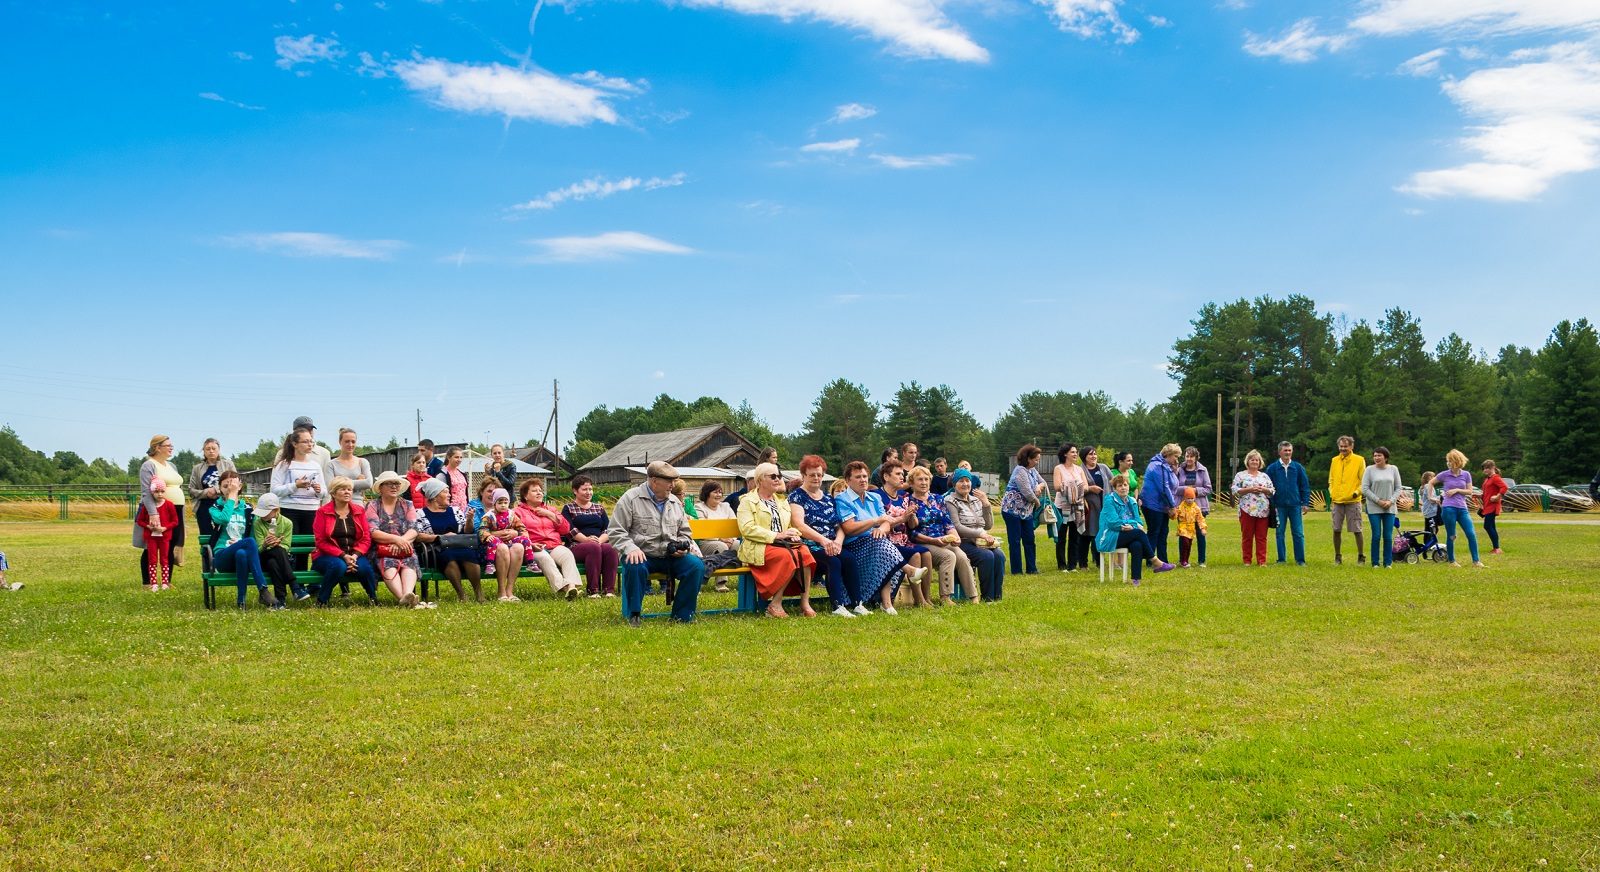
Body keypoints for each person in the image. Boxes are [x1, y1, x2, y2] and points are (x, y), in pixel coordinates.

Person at [608, 461, 706, 626]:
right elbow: (615, 531)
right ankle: (634, 614)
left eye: (674, 481)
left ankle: (682, 615)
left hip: (670, 555)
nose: (672, 485)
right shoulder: (630, 499)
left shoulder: (675, 502)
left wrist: (682, 546)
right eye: (669, 481)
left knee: (696, 566)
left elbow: (685, 532)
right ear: (654, 481)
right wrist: (630, 548)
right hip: (643, 554)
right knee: (634, 564)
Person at [836, 460, 925, 615]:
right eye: (858, 477)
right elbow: (849, 528)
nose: (863, 480)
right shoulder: (842, 499)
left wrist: (881, 529)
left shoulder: (873, 498)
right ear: (848, 480)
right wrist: (874, 522)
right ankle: (907, 572)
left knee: (881, 544)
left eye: (865, 476)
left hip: (875, 542)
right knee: (882, 546)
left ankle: (887, 603)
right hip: (854, 545)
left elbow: (886, 522)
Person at [737, 462, 817, 618]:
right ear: (760, 480)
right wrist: (776, 535)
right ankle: (775, 604)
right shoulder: (747, 501)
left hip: (782, 544)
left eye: (779, 476)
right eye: (773, 476)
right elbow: (747, 529)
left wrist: (793, 533)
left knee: (805, 553)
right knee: (787, 556)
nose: (777, 479)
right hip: (758, 545)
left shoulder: (781, 501)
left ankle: (805, 602)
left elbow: (790, 525)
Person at [789, 455, 861, 617]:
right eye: (812, 474)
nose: (816, 478)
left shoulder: (828, 499)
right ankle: (837, 606)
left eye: (819, 475)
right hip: (809, 546)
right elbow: (799, 525)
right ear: (803, 476)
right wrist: (823, 540)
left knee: (849, 558)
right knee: (833, 562)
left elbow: (839, 526)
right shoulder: (797, 497)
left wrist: (838, 542)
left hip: (831, 543)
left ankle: (858, 604)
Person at [207, 470, 283, 609]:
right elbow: (223, 519)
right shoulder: (215, 507)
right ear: (220, 488)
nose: (229, 489)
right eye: (225, 486)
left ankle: (241, 601)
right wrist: (232, 495)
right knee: (248, 542)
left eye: (233, 486)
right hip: (222, 556)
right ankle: (263, 590)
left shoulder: (247, 508)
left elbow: (253, 534)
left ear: (240, 486)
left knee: (242, 553)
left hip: (241, 554)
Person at [905, 465, 976, 605]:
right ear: (912, 483)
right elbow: (912, 533)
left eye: (926, 479)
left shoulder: (937, 499)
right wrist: (934, 540)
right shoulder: (908, 501)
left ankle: (973, 596)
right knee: (948, 556)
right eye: (920, 479)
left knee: (961, 555)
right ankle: (945, 597)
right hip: (923, 542)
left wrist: (954, 537)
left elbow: (947, 522)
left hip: (943, 540)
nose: (924, 482)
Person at [311, 476, 379, 604]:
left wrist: (354, 555)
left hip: (355, 554)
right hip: (326, 556)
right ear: (333, 493)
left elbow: (366, 538)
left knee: (364, 568)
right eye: (342, 489)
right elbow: (321, 541)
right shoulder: (322, 512)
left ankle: (373, 598)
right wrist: (343, 556)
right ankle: (322, 600)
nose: (347, 492)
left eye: (349, 489)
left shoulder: (359, 511)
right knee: (338, 566)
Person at [367, 471, 430, 608]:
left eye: (396, 483)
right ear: (380, 488)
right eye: (390, 484)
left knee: (410, 560)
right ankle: (404, 598)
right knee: (388, 561)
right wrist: (396, 540)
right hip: (381, 549)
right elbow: (373, 531)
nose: (394, 486)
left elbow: (414, 529)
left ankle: (407, 595)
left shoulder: (407, 504)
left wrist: (401, 541)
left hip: (405, 546)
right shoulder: (373, 505)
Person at [514, 479, 584, 600]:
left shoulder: (551, 509)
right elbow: (517, 533)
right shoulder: (517, 512)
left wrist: (549, 515)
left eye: (540, 490)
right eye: (534, 491)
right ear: (525, 496)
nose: (539, 493)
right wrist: (530, 544)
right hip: (534, 547)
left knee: (567, 554)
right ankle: (566, 589)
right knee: (545, 558)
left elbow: (565, 530)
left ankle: (571, 586)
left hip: (554, 545)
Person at [415, 478, 484, 603]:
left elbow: (467, 532)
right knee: (448, 556)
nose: (450, 494)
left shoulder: (455, 510)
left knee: (469, 554)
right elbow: (418, 536)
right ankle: (462, 595)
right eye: (445, 492)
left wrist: (469, 520)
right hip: (435, 549)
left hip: (459, 544)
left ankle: (479, 593)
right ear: (435, 496)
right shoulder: (420, 513)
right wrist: (441, 537)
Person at [875, 462, 933, 608]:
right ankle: (919, 600)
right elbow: (880, 525)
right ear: (886, 476)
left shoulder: (904, 497)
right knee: (915, 555)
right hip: (887, 543)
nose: (902, 477)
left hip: (904, 540)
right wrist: (902, 518)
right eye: (898, 474)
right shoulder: (878, 496)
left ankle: (927, 597)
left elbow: (912, 525)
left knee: (926, 553)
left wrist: (911, 515)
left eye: (902, 474)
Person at [1095, 475, 1172, 584]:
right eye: (1119, 486)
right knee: (1138, 533)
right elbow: (1113, 523)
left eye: (1125, 485)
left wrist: (1131, 525)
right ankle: (1155, 560)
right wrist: (1131, 525)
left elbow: (1139, 522)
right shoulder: (1109, 500)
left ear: (1128, 487)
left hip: (1127, 534)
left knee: (1137, 544)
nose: (1123, 488)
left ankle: (1136, 579)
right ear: (1115, 488)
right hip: (1109, 537)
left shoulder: (1132, 501)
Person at [270, 427, 326, 571]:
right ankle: (294, 581)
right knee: (292, 547)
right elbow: (274, 490)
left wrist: (319, 491)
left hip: (312, 510)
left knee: (307, 548)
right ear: (295, 444)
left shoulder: (315, 466)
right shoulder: (284, 465)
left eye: (311, 441)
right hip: (290, 510)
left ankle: (302, 582)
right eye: (305, 442)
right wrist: (295, 485)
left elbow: (324, 491)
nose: (310, 445)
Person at [944, 468, 1003, 602]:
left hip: (980, 540)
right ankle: (988, 598)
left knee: (999, 556)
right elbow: (957, 526)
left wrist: (986, 504)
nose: (965, 484)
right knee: (987, 557)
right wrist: (980, 533)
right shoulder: (950, 501)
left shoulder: (976, 500)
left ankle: (996, 596)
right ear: (954, 484)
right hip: (962, 542)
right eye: (961, 481)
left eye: (968, 480)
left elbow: (988, 525)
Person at [135, 434, 188, 580]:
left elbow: (178, 489)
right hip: (158, 510)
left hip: (174, 510)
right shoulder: (149, 465)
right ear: (157, 448)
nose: (171, 448)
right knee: (151, 545)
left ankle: (167, 580)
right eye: (168, 445)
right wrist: (153, 513)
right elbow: (146, 491)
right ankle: (147, 581)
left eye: (172, 445)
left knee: (170, 545)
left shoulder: (172, 466)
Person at [562, 475, 620, 598]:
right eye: (584, 489)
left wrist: (599, 540)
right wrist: (586, 540)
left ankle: (609, 590)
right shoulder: (568, 508)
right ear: (575, 491)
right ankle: (593, 590)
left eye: (590, 489)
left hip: (599, 542)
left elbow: (608, 529)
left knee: (610, 548)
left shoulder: (599, 508)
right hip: (577, 545)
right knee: (593, 548)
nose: (588, 492)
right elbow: (569, 529)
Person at [478, 488, 532, 603]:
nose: (503, 505)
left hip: (510, 543)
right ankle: (501, 592)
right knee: (502, 548)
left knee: (519, 547)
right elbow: (482, 530)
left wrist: (516, 533)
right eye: (500, 502)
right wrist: (489, 535)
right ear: (494, 503)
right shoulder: (488, 516)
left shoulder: (512, 515)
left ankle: (510, 591)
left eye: (505, 502)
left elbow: (522, 529)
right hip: (492, 549)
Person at [251, 493, 308, 603]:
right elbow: (258, 550)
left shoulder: (287, 523)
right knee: (277, 552)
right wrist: (265, 544)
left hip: (280, 560)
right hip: (263, 558)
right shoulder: (258, 523)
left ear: (276, 510)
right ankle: (295, 587)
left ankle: (280, 600)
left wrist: (278, 544)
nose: (262, 516)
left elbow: (286, 546)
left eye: (266, 513)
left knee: (274, 561)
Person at [1001, 444, 1046, 575]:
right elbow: (1027, 492)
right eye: (1036, 459)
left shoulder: (1032, 470)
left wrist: (1039, 486)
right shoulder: (1020, 471)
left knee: (1029, 539)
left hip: (1026, 512)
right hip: (1012, 511)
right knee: (1015, 541)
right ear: (1028, 458)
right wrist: (1037, 502)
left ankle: (1032, 568)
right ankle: (1017, 570)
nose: (1037, 462)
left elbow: (1043, 482)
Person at [1436, 450, 1485, 568]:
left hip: (1462, 509)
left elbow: (1470, 491)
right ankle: (1452, 561)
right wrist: (1432, 497)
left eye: (1450, 461)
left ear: (1457, 461)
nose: (1448, 463)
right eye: (1447, 461)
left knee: (1471, 533)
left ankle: (1476, 561)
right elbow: (1431, 483)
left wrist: (1457, 490)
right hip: (1448, 509)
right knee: (1452, 535)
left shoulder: (1466, 474)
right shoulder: (1444, 474)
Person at [1265, 441, 1311, 565]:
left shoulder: (1298, 467)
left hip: (1295, 505)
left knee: (1298, 533)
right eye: (1285, 450)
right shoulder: (1272, 468)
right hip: (1279, 506)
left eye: (1289, 450)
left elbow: (1304, 486)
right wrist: (1271, 504)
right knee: (1280, 533)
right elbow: (1268, 486)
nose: (1288, 453)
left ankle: (1300, 560)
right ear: (1280, 452)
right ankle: (1281, 559)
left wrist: (1305, 502)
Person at [187, 438, 235, 552]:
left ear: (219, 450)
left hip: (224, 504)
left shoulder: (228, 464)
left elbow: (235, 482)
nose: (211, 451)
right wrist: (206, 493)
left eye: (214, 448)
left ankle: (224, 561)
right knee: (206, 537)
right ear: (203, 451)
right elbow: (191, 490)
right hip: (204, 507)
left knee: (225, 534)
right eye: (208, 449)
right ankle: (207, 563)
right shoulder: (197, 468)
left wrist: (216, 490)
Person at [1138, 444, 1183, 565]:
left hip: (1162, 506)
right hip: (1152, 505)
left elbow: (1173, 484)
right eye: (1175, 456)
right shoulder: (1157, 466)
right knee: (1154, 532)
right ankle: (1151, 561)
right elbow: (1164, 488)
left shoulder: (1166, 466)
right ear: (1168, 454)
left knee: (1163, 532)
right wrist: (1172, 506)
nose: (1176, 459)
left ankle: (1163, 561)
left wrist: (1175, 469)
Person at [1230, 449, 1276, 566]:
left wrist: (1264, 490)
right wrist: (1249, 490)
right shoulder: (1240, 475)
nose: (1254, 462)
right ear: (1248, 461)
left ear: (1260, 462)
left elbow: (1272, 490)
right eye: (1252, 459)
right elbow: (1234, 490)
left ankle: (1262, 561)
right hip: (1247, 509)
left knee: (1262, 537)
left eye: (1257, 460)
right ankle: (1247, 561)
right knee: (1247, 536)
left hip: (1263, 510)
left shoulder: (1264, 476)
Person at [1328, 435, 1367, 566]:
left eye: (1346, 446)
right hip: (1337, 501)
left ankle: (1361, 556)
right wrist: (1332, 492)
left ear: (1351, 446)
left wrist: (1356, 493)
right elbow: (1331, 480)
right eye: (1341, 446)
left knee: (1357, 529)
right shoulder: (1334, 460)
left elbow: (1364, 481)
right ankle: (1337, 556)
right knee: (1336, 529)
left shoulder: (1359, 460)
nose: (1343, 449)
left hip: (1353, 501)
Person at [136, 478, 180, 590]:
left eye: (162, 491)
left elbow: (175, 521)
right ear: (152, 492)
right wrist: (148, 527)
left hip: (164, 537)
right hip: (151, 538)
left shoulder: (169, 505)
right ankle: (153, 582)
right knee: (152, 559)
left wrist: (165, 528)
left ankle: (165, 582)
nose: (159, 494)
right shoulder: (148, 506)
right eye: (156, 491)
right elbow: (140, 520)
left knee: (165, 559)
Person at [1362, 447, 1402, 569]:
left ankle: (1388, 562)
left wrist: (1390, 501)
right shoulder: (1369, 470)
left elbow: (1398, 487)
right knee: (1376, 535)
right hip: (1374, 507)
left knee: (1388, 536)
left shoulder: (1393, 469)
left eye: (1379, 455)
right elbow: (1365, 489)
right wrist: (1378, 501)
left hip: (1389, 508)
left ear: (1385, 457)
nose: (1377, 458)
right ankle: (1375, 562)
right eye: (1375, 456)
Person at [1053, 444, 1089, 573]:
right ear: (1065, 454)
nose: (1075, 454)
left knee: (1075, 536)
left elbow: (1086, 486)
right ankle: (1062, 565)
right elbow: (1057, 486)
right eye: (1072, 452)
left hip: (1077, 506)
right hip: (1062, 506)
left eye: (1076, 452)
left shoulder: (1079, 469)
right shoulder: (1059, 468)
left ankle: (1072, 565)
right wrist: (1072, 487)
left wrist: (1076, 489)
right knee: (1061, 536)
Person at [1179, 446, 1213, 568]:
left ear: (1196, 457)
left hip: (1199, 507)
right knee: (1184, 535)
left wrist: (1195, 491)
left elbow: (1208, 489)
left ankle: (1201, 560)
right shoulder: (1179, 470)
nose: (1189, 459)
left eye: (1191, 456)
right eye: (1187, 456)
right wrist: (1186, 490)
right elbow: (1174, 487)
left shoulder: (1203, 470)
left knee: (1200, 534)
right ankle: (1183, 560)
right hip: (1183, 509)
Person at [1079, 447, 1112, 570]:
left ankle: (1100, 562)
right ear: (1084, 457)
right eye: (1090, 454)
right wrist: (1090, 488)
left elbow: (1112, 481)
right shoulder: (1080, 470)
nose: (1093, 456)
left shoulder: (1103, 467)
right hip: (1089, 508)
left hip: (1104, 505)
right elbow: (1078, 487)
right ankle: (1083, 563)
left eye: (1095, 454)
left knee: (1100, 533)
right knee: (1086, 535)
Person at [324, 428, 375, 508]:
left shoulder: (362, 462)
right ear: (340, 442)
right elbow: (330, 487)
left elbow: (369, 483)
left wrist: (339, 483)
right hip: (337, 508)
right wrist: (359, 483)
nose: (350, 445)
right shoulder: (331, 464)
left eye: (353, 441)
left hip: (358, 507)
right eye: (347, 441)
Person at [693, 481, 739, 566]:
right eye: (715, 492)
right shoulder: (699, 507)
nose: (719, 495)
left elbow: (734, 525)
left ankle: (736, 569)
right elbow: (704, 530)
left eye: (720, 492)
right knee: (721, 546)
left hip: (727, 539)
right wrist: (720, 538)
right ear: (707, 494)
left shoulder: (726, 506)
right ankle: (721, 578)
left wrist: (731, 539)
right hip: (707, 542)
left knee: (737, 544)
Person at [1175, 487, 1207, 568]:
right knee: (1185, 543)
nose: (1190, 500)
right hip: (1183, 527)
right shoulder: (1181, 506)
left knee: (1188, 545)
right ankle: (1183, 561)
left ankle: (1185, 560)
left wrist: (1203, 528)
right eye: (1188, 498)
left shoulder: (1196, 508)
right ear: (1184, 498)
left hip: (1191, 529)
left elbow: (1200, 518)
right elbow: (1175, 515)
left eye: (1192, 498)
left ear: (1194, 498)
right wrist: (1172, 514)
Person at [1480, 459, 1507, 554]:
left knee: (1487, 526)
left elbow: (1504, 487)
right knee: (1492, 526)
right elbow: (1487, 492)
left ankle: (1497, 548)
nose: (1485, 470)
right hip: (1487, 506)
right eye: (1484, 469)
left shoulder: (1495, 478)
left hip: (1493, 506)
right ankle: (1496, 548)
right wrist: (1480, 496)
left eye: (1487, 468)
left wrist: (1497, 496)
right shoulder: (1487, 479)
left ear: (1493, 468)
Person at [439, 447, 469, 512]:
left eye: (461, 457)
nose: (459, 459)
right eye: (456, 457)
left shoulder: (462, 473)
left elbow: (465, 493)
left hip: (464, 509)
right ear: (449, 457)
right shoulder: (443, 474)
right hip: (450, 510)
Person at [1418, 471, 1441, 540]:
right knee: (1433, 529)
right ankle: (1429, 543)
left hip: (1426, 510)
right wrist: (1439, 499)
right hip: (1431, 510)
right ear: (1429, 478)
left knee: (1427, 528)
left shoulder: (1422, 487)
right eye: (1433, 476)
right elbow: (1430, 498)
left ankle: (1426, 543)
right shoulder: (1428, 486)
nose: (1435, 478)